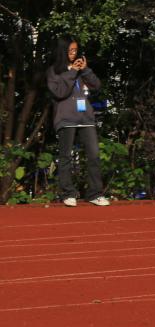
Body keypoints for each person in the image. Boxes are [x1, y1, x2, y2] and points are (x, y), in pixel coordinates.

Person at [47, 37, 108, 207]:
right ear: (62, 51)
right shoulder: (54, 71)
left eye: (75, 50)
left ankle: (95, 193)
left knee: (94, 154)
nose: (74, 54)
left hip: (86, 118)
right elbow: (59, 92)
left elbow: (96, 86)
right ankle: (68, 193)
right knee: (66, 156)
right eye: (70, 51)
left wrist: (85, 69)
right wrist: (72, 71)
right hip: (66, 119)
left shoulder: (82, 70)